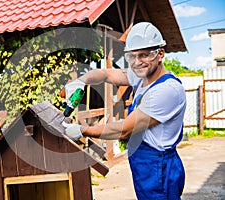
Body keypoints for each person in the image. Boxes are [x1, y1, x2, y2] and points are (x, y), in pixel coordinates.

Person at [63, 22, 186, 200]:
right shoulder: (141, 75)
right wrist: (82, 80)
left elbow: (125, 129)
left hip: (158, 166)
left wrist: (83, 130)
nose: (137, 62)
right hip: (146, 162)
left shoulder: (166, 91)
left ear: (160, 54)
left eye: (144, 55)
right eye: (131, 56)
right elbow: (107, 74)